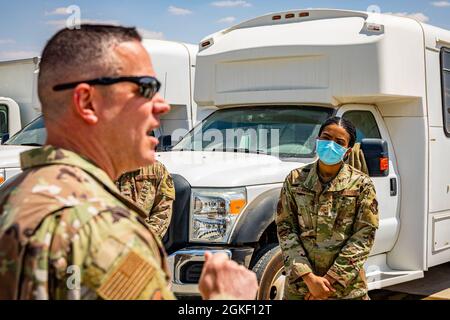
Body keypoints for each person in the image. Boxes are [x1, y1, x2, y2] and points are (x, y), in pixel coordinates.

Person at [0, 25, 258, 300]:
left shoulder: (14, 195)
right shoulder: (104, 231)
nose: (162, 106)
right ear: (87, 102)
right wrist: (228, 300)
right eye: (145, 89)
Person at [276, 116, 379, 300]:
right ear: (317, 141)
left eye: (339, 142)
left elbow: (364, 236)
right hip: (301, 289)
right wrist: (309, 278)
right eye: (326, 137)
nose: (330, 144)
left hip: (345, 290)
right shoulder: (295, 180)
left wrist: (327, 283)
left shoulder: (362, 185)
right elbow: (285, 229)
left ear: (347, 151)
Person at [117, 161, 175, 239]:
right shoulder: (104, 164)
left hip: (142, 240)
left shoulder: (157, 169)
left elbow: (163, 210)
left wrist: (146, 238)